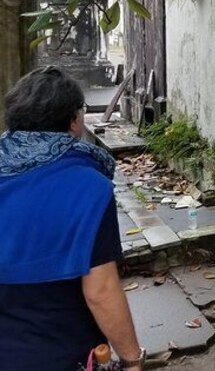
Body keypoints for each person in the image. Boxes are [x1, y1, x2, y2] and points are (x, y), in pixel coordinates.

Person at [0, 66, 145, 371]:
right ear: (75, 120)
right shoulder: (89, 187)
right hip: (61, 351)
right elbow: (101, 291)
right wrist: (133, 360)